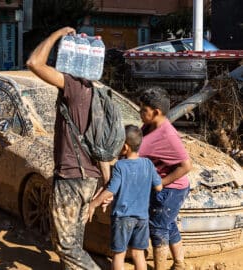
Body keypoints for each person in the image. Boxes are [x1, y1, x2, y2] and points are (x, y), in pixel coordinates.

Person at [26, 27, 102, 269]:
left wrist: (56, 34)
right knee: (75, 243)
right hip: (89, 177)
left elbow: (34, 63)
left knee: (64, 245)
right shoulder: (95, 89)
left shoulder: (74, 86)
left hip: (71, 177)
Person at [88, 125, 162, 270]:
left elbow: (111, 190)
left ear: (125, 147)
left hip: (122, 217)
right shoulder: (148, 164)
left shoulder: (120, 166)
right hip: (142, 218)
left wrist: (93, 204)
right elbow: (158, 186)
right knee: (138, 254)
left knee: (118, 255)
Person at [138, 87, 192, 270]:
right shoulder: (149, 126)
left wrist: (161, 183)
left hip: (171, 190)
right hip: (166, 188)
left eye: (143, 110)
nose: (140, 113)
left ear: (156, 112)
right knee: (168, 225)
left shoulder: (167, 135)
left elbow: (186, 165)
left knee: (158, 229)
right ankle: (179, 264)